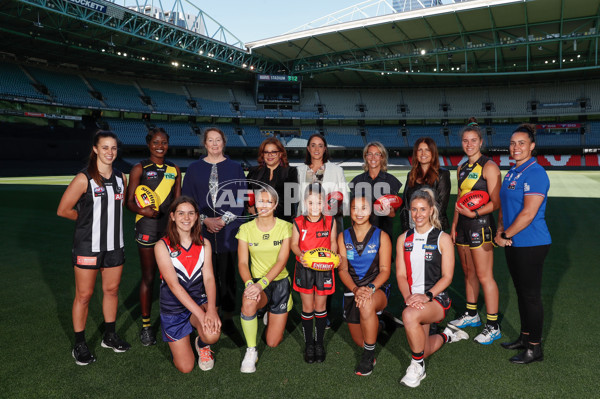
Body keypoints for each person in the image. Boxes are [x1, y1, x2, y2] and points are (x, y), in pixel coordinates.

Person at [57, 130, 130, 365]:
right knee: (84, 295)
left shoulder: (122, 178)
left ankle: (109, 336)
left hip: (114, 246)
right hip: (89, 246)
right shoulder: (84, 178)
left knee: (111, 291)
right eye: (105, 147)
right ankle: (79, 344)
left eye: (114, 148)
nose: (110, 152)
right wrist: (87, 222)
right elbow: (63, 209)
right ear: (96, 149)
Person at [396, 188, 465, 388]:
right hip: (413, 299)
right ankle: (448, 335)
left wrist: (426, 296)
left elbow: (447, 277)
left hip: (435, 299)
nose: (418, 215)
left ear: (431, 211)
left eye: (423, 209)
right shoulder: (403, 239)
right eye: (414, 210)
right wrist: (408, 296)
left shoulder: (442, 239)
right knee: (423, 348)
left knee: (409, 316)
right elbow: (400, 274)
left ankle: (418, 366)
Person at [495, 124, 551, 364]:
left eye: (521, 143)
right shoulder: (511, 171)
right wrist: (500, 229)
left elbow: (528, 214)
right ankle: (525, 337)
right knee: (521, 293)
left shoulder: (536, 172)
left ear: (532, 146)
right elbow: (504, 206)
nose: (515, 147)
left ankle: (535, 348)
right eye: (512, 143)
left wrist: (505, 235)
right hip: (513, 242)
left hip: (532, 243)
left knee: (530, 296)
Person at [182, 127, 246, 333]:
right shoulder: (194, 168)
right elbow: (187, 200)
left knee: (227, 274)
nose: (215, 144)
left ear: (224, 142)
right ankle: (208, 314)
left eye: (218, 140)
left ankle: (227, 318)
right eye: (211, 140)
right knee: (204, 274)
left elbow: (240, 198)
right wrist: (204, 220)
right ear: (205, 143)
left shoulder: (235, 167)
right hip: (202, 231)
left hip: (228, 231)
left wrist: (224, 220)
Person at [449, 118, 502, 345]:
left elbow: (496, 202)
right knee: (468, 272)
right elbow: (459, 201)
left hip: (480, 226)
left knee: (484, 275)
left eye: (473, 140)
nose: (469, 144)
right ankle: (472, 314)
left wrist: (476, 215)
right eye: (465, 140)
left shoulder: (489, 166)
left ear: (481, 142)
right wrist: (453, 225)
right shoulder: (461, 167)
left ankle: (493, 325)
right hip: (462, 226)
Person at [126, 127, 181, 346]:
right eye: (156, 142)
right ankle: (147, 326)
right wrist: (145, 211)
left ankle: (175, 320)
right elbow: (129, 202)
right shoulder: (139, 168)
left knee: (173, 279)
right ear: (149, 144)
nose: (160, 146)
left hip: (169, 230)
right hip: (147, 228)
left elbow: (177, 203)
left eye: (164, 142)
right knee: (149, 277)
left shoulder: (174, 169)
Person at [155, 196, 221, 373]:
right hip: (173, 310)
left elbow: (208, 278)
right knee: (185, 367)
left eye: (191, 213)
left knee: (212, 334)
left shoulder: (204, 244)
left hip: (199, 302)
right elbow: (174, 286)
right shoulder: (162, 246)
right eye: (181, 213)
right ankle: (190, 331)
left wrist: (212, 310)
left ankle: (202, 343)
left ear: (197, 216)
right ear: (173, 216)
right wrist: (202, 316)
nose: (186, 218)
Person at [236, 186, 293, 373]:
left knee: (273, 342)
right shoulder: (245, 228)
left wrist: (261, 285)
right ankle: (251, 351)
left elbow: (281, 261)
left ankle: (272, 310)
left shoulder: (286, 227)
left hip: (280, 283)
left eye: (269, 201)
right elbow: (243, 263)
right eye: (261, 201)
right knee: (249, 300)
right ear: (255, 203)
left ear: (275, 204)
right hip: (257, 283)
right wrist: (250, 284)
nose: (264, 205)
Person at [296, 133, 348, 325]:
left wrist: (333, 208)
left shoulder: (335, 170)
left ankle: (325, 312)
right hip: (307, 223)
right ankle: (309, 307)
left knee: (329, 264)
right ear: (308, 149)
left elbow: (345, 196)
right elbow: (297, 200)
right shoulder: (300, 170)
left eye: (320, 145)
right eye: (313, 145)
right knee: (308, 263)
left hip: (330, 223)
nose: (317, 149)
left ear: (325, 149)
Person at [337, 196, 392, 376]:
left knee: (367, 305)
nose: (359, 212)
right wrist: (355, 290)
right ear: (349, 211)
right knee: (360, 340)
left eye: (364, 208)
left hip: (376, 290)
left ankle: (368, 357)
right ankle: (383, 323)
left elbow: (385, 270)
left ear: (371, 211)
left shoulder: (382, 236)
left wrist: (369, 289)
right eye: (355, 208)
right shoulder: (342, 236)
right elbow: (343, 270)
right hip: (352, 289)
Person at [291, 183, 337, 363]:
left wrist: (332, 256)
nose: (315, 207)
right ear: (304, 203)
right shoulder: (298, 222)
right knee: (308, 308)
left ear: (324, 203)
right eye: (311, 203)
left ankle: (319, 343)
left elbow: (333, 241)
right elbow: (294, 244)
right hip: (305, 268)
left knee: (320, 307)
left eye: (319, 203)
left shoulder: (330, 220)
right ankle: (309, 344)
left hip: (324, 270)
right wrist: (301, 255)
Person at [350, 141, 402, 239]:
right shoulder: (357, 181)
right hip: (361, 234)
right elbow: (353, 211)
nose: (373, 157)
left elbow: (393, 214)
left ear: (382, 157)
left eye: (377, 154)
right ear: (365, 157)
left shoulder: (392, 181)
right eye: (370, 154)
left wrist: (389, 212)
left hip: (384, 233)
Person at [401, 137, 451, 232]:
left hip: (434, 227)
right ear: (416, 153)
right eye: (420, 150)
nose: (423, 153)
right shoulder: (411, 175)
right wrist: (406, 228)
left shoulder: (442, 174)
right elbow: (405, 205)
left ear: (433, 153)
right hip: (413, 227)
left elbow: (441, 206)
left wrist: (425, 228)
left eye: (427, 150)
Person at [246, 137, 298, 222]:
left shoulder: (290, 172)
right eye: (266, 152)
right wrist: (250, 207)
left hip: (282, 222)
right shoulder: (254, 171)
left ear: (280, 154)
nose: (270, 155)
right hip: (257, 220)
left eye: (274, 152)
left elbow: (290, 202)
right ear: (262, 155)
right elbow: (245, 193)